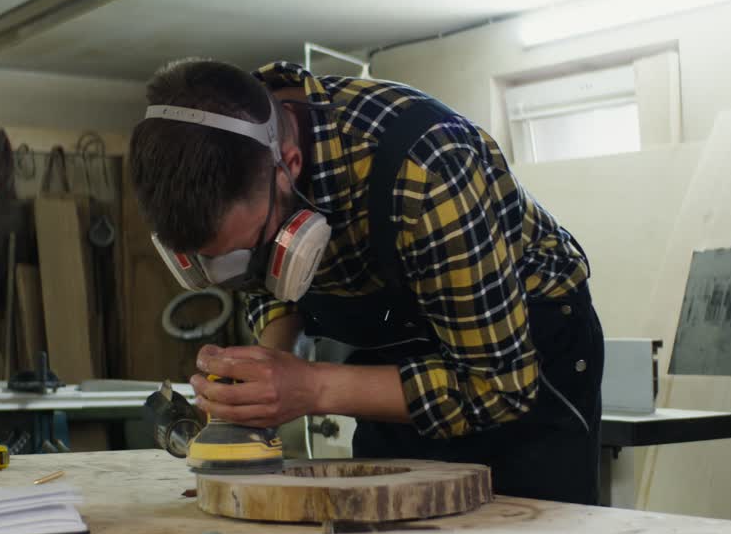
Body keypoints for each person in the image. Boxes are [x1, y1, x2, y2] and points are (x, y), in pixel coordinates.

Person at [129, 58, 604, 504]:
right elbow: (267, 284)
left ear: (289, 166)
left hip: (521, 365)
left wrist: (310, 388)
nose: (238, 271)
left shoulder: (427, 167)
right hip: (399, 365)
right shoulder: (230, 152)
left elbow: (499, 385)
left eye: (251, 246)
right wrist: (263, 377)